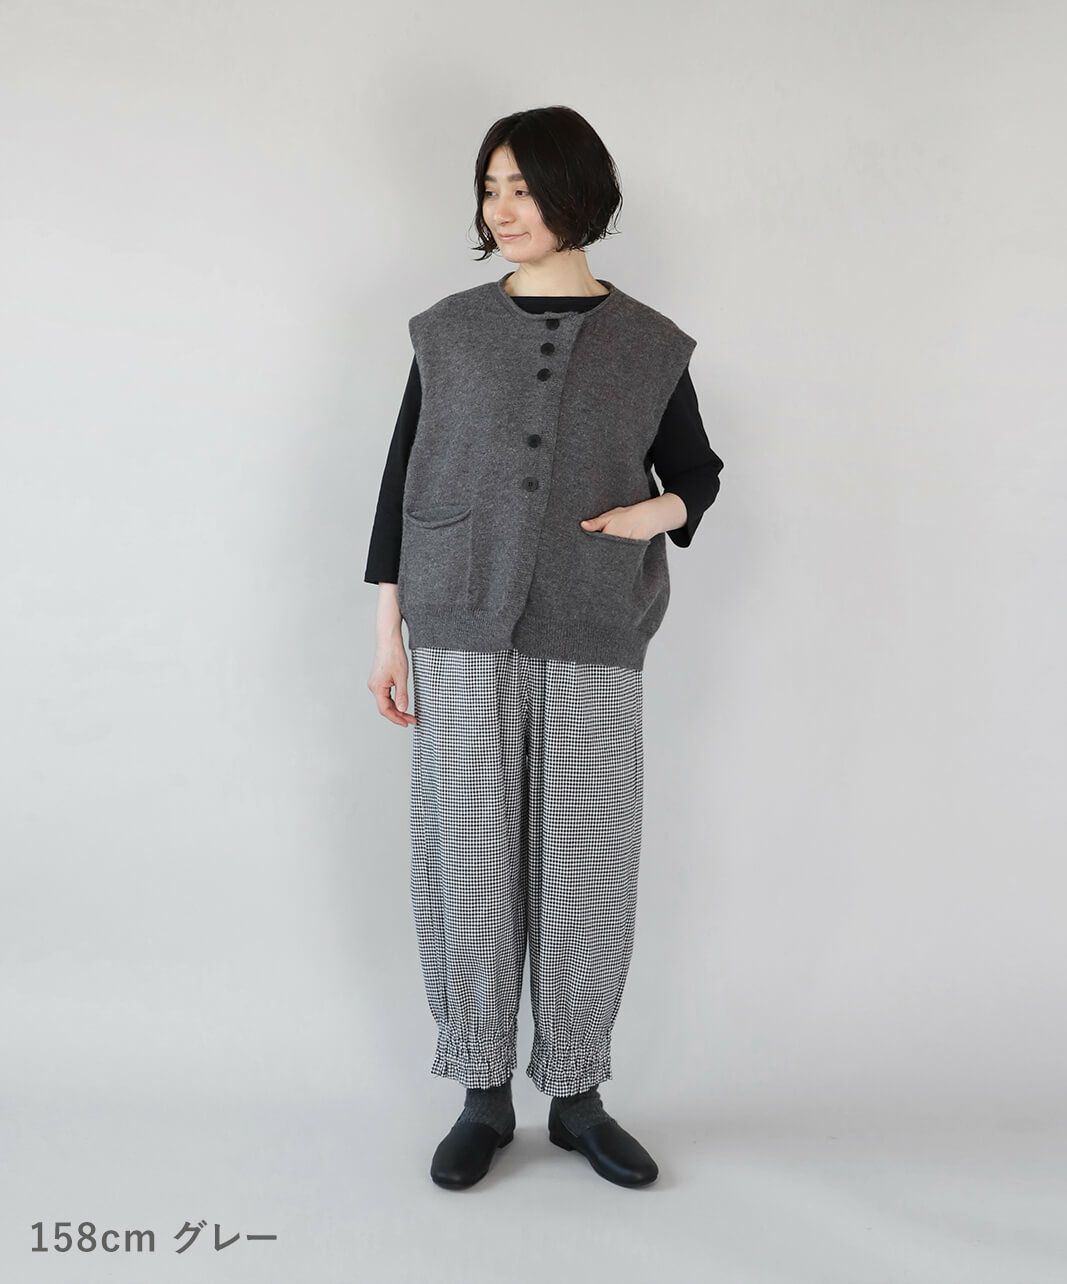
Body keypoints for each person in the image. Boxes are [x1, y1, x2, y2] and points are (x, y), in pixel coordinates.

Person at [365, 105, 724, 1190]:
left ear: (578, 193)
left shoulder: (651, 344)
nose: (501, 209)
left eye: (521, 187)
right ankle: (481, 1093)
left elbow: (697, 472)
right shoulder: (447, 332)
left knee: (585, 867)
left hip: (595, 625)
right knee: (467, 863)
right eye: (490, 188)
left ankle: (576, 1097)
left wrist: (652, 514)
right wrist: (388, 633)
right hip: (457, 622)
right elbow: (399, 482)